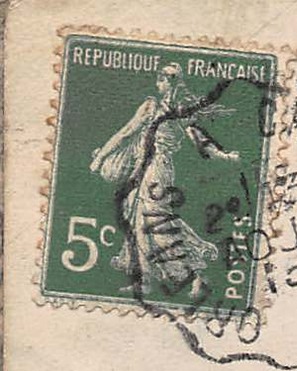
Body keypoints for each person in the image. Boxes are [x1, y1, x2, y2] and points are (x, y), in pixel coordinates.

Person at [89, 63, 239, 301]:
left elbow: (126, 132)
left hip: (156, 169)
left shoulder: (164, 108)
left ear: (169, 82)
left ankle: (195, 274)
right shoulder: (171, 109)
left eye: (160, 80)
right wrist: (224, 155)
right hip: (148, 168)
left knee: (156, 221)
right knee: (136, 217)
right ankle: (145, 278)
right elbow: (199, 140)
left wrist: (99, 158)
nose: (157, 85)